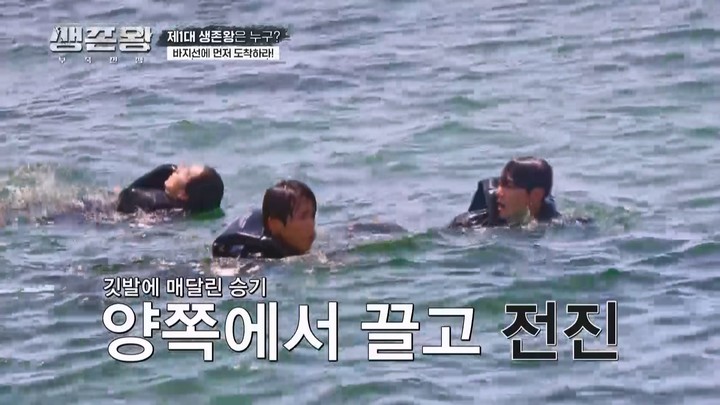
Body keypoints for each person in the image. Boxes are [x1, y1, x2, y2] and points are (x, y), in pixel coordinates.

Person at [450, 156, 571, 228]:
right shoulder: (468, 225)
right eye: (500, 184)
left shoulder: (559, 225)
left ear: (536, 195)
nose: (498, 192)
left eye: (508, 186)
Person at [211, 179, 317, 259]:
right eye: (303, 217)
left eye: (312, 215)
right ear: (275, 225)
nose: (311, 224)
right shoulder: (256, 257)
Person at [115, 163, 225, 215]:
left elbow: (126, 196)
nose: (178, 169)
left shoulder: (149, 201)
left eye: (186, 172)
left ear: (183, 194)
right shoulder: (179, 214)